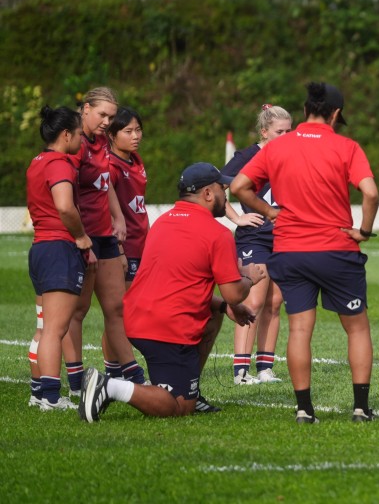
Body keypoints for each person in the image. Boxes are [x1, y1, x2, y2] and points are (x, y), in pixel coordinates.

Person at [231, 82, 379, 424]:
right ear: (336, 114)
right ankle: (360, 408)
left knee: (300, 329)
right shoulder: (346, 146)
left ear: (304, 110)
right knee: (356, 329)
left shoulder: (276, 147)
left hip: (290, 249)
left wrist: (269, 213)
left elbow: (239, 186)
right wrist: (364, 230)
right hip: (336, 249)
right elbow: (370, 193)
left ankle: (304, 409)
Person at [78, 162, 261, 422]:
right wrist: (249, 278)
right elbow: (234, 293)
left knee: (215, 315)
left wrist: (223, 307)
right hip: (166, 328)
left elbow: (182, 284)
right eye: (222, 188)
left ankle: (190, 390)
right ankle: (109, 386)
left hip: (140, 318)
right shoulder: (217, 234)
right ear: (208, 194)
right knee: (177, 407)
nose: (225, 195)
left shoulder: (162, 222)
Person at [69, 87, 145, 388]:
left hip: (105, 235)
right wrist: (80, 237)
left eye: (111, 117)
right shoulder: (73, 142)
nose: (106, 122)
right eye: (102, 115)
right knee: (78, 311)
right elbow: (67, 191)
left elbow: (105, 185)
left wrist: (116, 216)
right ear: (85, 109)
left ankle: (130, 375)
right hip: (82, 236)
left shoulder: (101, 141)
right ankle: (75, 381)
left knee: (117, 307)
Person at [27, 106, 95, 411]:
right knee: (56, 329)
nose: (81, 140)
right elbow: (65, 207)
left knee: (46, 328)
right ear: (65, 134)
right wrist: (81, 237)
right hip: (59, 248)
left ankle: (40, 393)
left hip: (40, 248)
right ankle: (51, 398)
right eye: (79, 133)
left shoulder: (37, 162)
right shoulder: (59, 163)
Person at [221, 104, 292, 385]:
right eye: (280, 131)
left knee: (275, 303)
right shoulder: (248, 156)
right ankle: (241, 372)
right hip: (255, 237)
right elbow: (216, 186)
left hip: (284, 236)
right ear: (264, 132)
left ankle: (265, 368)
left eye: (289, 130)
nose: (287, 136)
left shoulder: (291, 155)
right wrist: (237, 217)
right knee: (254, 299)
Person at [107, 106, 148, 282]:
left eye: (138, 130)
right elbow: (106, 209)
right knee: (127, 306)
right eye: (128, 131)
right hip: (125, 246)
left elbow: (139, 205)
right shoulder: (110, 167)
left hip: (143, 245)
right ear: (112, 135)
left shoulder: (136, 159)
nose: (135, 136)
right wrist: (120, 249)